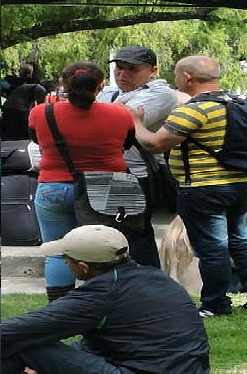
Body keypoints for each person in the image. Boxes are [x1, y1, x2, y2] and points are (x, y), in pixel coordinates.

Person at [0, 225, 210, 374]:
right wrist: (49, 365)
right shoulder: (153, 276)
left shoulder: (101, 294)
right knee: (64, 349)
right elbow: (101, 345)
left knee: (28, 342)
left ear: (83, 267)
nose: (65, 264)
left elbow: (19, 329)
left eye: (67, 260)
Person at [132, 55, 247, 317]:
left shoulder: (193, 110)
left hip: (202, 187)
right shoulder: (235, 104)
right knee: (241, 242)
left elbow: (155, 144)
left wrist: (136, 122)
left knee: (213, 248)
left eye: (176, 75)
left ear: (187, 77)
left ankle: (215, 304)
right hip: (239, 184)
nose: (175, 80)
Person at [27, 61, 136, 302]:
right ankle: (107, 301)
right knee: (106, 250)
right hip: (109, 186)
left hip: (55, 186)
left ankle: (59, 306)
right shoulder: (121, 113)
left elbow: (36, 140)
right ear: (101, 85)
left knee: (57, 251)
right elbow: (126, 145)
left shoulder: (41, 113)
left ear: (64, 84)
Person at [100, 45, 183, 269]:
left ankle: (149, 282)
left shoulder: (161, 93)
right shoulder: (110, 92)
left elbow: (116, 126)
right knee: (106, 232)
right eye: (119, 68)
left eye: (132, 69)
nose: (123, 74)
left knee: (136, 233)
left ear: (152, 71)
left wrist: (97, 114)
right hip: (104, 170)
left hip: (134, 174)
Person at [0, 62, 45, 140]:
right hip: (18, 110)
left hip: (14, 109)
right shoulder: (34, 84)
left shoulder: (32, 84)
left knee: (10, 132)